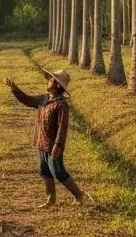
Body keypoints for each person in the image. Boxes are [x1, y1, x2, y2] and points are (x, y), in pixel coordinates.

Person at [5, 68, 83, 207]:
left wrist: (58, 145)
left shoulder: (61, 105)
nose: (48, 81)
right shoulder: (44, 99)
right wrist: (14, 88)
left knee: (58, 172)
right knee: (45, 172)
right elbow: (28, 100)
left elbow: (62, 127)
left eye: (51, 80)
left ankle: (78, 195)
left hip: (53, 146)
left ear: (58, 85)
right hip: (41, 143)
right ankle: (50, 199)